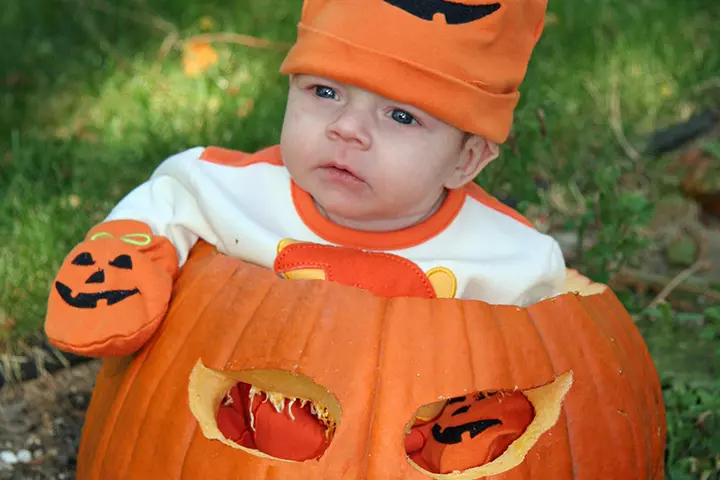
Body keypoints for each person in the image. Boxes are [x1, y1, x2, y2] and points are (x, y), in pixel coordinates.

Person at [45, 0, 561, 473]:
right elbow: (168, 199)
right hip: (264, 428)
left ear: (466, 159)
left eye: (401, 115)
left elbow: (552, 351)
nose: (347, 128)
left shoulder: (508, 258)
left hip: (409, 441)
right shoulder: (237, 193)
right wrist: (128, 249)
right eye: (325, 91)